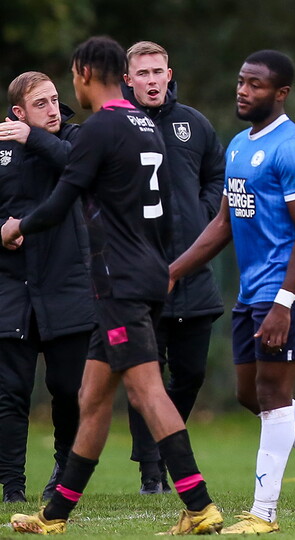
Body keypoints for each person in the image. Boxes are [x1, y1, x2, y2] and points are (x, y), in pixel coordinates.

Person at [3, 36, 222, 534]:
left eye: (71, 80)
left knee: (147, 391)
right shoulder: (145, 124)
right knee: (92, 398)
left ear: (83, 73)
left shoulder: (102, 127)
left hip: (119, 280)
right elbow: (168, 207)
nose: (67, 94)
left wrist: (16, 227)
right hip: (139, 273)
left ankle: (199, 504)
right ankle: (55, 515)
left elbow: (61, 201)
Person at [168, 49, 295, 534]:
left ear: (280, 93)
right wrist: (172, 271)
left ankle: (263, 514)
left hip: (290, 291)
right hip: (252, 290)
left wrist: (284, 303)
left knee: (274, 394)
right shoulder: (238, 144)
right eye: (241, 81)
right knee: (251, 394)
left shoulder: (293, 148)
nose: (243, 90)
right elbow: (223, 222)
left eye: (255, 85)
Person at [122, 40, 225, 496]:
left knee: (192, 374)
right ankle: (151, 472)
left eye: (157, 71)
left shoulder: (194, 124)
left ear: (169, 74)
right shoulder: (114, 128)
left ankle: (165, 450)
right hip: (141, 277)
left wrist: (203, 215)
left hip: (193, 275)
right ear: (128, 80)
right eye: (142, 73)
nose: (151, 80)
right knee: (146, 378)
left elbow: (217, 176)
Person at [0, 72, 94, 504]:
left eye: (56, 99)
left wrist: (32, 138)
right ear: (18, 112)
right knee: (10, 394)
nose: (54, 109)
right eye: (42, 103)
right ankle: (11, 487)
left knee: (69, 391)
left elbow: (76, 168)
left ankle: (62, 472)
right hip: (12, 288)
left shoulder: (76, 139)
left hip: (67, 284)